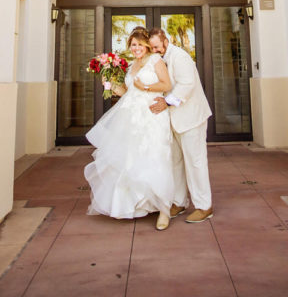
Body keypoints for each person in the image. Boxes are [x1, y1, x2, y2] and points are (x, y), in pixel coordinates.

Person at [84, 26, 174, 230]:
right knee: (132, 160)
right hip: (131, 119)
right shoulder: (131, 66)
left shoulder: (155, 61)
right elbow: (127, 92)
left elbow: (166, 84)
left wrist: (147, 88)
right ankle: (138, 204)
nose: (136, 48)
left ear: (147, 45)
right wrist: (109, 84)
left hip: (152, 116)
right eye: (133, 45)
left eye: (139, 44)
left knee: (156, 158)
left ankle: (164, 210)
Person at [147, 27, 213, 223]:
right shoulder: (158, 60)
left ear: (165, 41)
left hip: (191, 119)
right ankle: (179, 202)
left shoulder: (180, 56)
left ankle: (204, 206)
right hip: (173, 121)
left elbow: (187, 85)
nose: (155, 50)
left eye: (157, 46)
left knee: (195, 162)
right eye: (151, 47)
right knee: (175, 163)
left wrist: (166, 102)